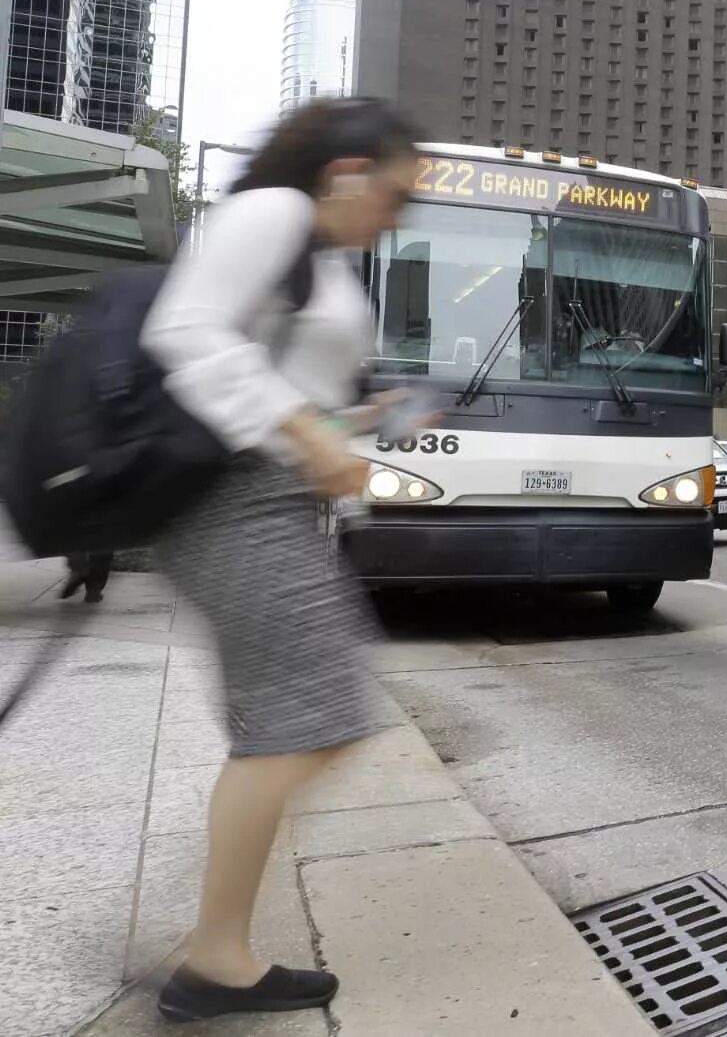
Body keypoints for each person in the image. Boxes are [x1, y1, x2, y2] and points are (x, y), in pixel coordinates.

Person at [140, 98, 420, 1022]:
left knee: (296, 719)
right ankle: (212, 949)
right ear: (347, 174)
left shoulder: (320, 252)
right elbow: (184, 330)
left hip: (269, 503)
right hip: (233, 502)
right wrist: (306, 425)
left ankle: (215, 943)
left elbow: (276, 372)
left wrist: (352, 421)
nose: (398, 216)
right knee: (311, 718)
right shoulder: (272, 212)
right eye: (396, 193)